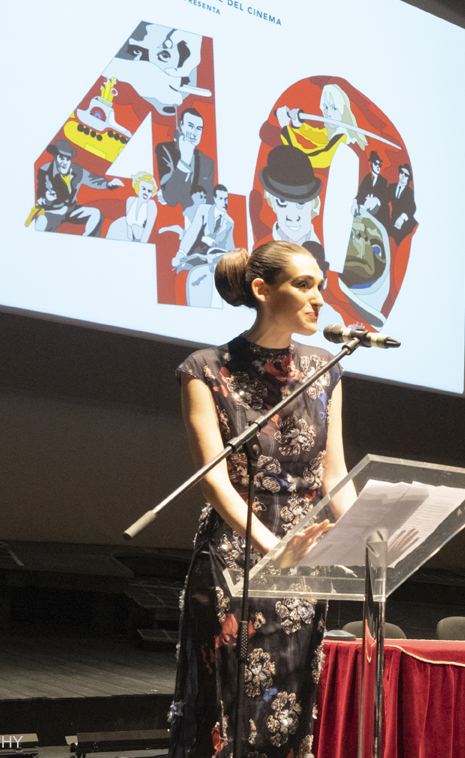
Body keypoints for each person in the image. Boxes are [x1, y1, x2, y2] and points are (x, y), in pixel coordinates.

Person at [170, 240, 348, 758]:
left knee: (289, 718)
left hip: (303, 568)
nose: (320, 298)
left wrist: (369, 534)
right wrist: (273, 548)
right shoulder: (204, 370)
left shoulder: (325, 369)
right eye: (304, 285)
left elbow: (333, 473)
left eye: (321, 284)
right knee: (224, 713)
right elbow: (214, 481)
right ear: (261, 290)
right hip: (235, 561)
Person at [33, 139, 123, 235]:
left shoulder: (77, 170)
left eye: (67, 159)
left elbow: (92, 179)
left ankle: (89, 241)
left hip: (71, 209)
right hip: (52, 212)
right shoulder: (44, 171)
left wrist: (109, 184)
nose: (64, 163)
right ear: (55, 157)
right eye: (61, 158)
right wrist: (47, 199)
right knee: (40, 224)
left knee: (96, 214)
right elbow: (40, 198)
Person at [157, 108, 217, 208]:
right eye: (190, 126)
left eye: (199, 128)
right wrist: (184, 161)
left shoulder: (208, 163)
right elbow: (170, 198)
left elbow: (208, 202)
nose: (194, 133)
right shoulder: (165, 149)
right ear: (181, 125)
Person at [105, 171, 159, 242]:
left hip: (140, 238)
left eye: (149, 191)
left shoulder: (151, 204)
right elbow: (128, 226)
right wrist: (129, 241)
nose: (146, 193)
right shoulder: (130, 200)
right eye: (143, 189)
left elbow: (148, 229)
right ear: (137, 187)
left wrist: (141, 245)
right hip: (124, 233)